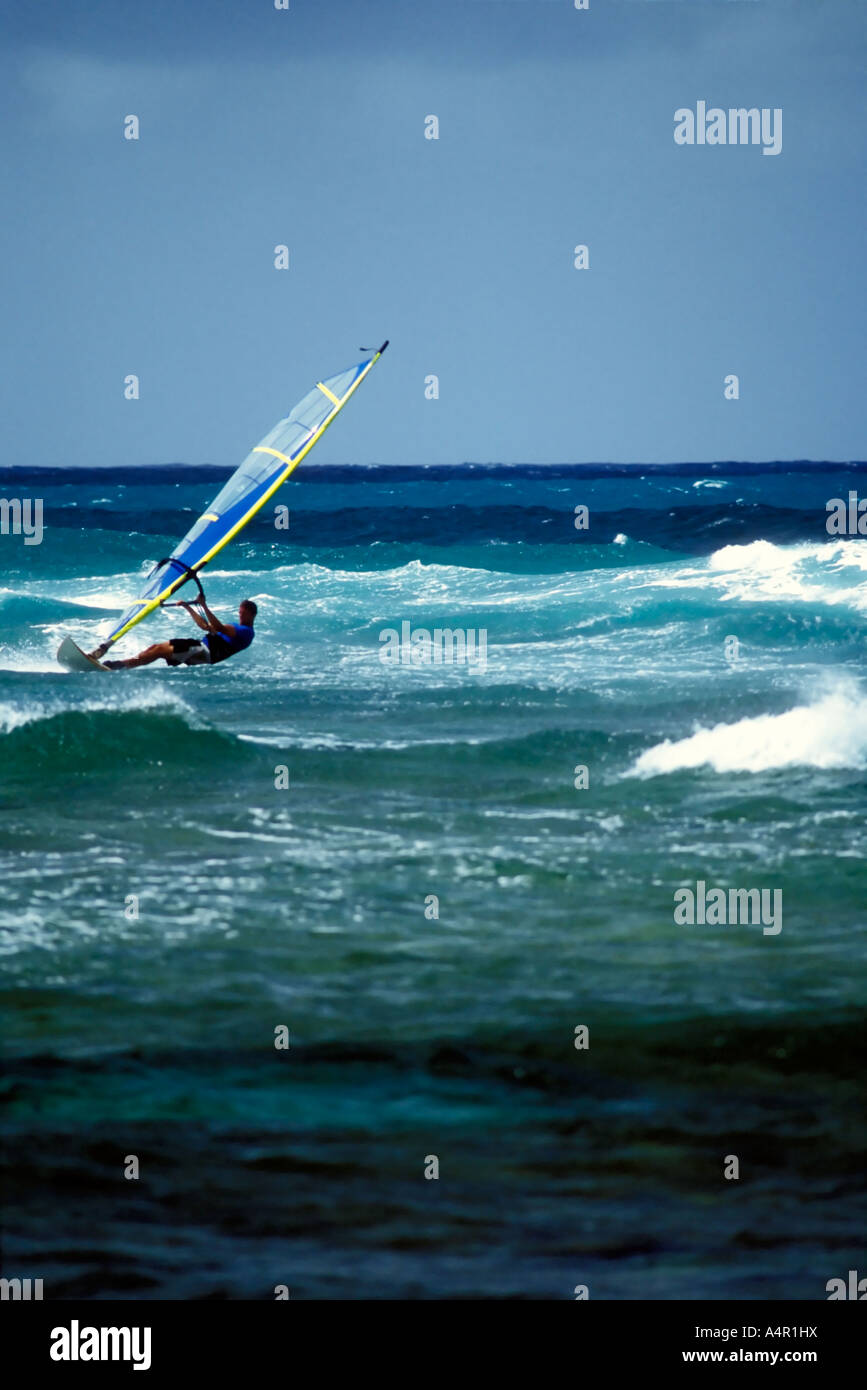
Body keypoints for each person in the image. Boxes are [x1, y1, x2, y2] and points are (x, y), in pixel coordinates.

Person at [99, 598, 257, 670]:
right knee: (155, 648)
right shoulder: (237, 627)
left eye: (243, 614)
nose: (240, 616)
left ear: (251, 615)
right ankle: (121, 665)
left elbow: (219, 628)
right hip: (199, 647)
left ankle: (117, 666)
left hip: (203, 653)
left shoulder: (246, 633)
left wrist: (204, 605)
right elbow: (205, 626)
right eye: (239, 612)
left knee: (159, 651)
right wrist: (187, 607)